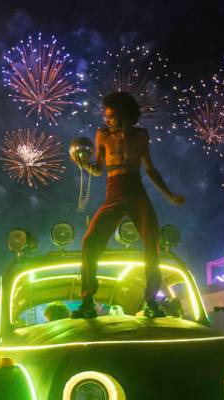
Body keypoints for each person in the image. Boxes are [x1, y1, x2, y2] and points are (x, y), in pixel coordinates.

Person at [71, 91, 186, 319]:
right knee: (90, 241)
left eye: (111, 116)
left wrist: (169, 195)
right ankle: (87, 301)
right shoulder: (102, 135)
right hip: (113, 194)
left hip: (136, 192)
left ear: (124, 115)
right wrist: (83, 164)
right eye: (105, 116)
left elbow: (150, 170)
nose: (106, 120)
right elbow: (98, 169)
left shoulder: (141, 136)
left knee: (151, 244)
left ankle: (152, 301)